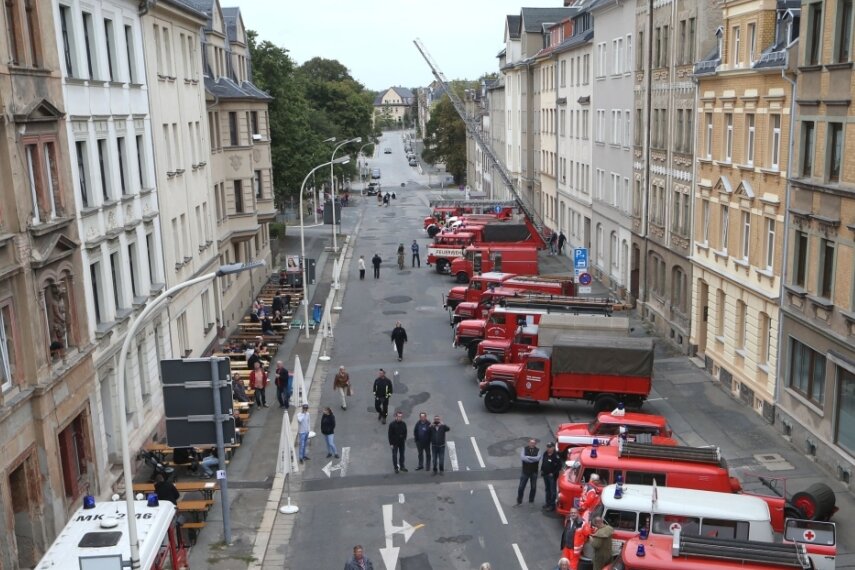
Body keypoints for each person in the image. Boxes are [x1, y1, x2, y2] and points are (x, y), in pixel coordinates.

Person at [516, 438, 542, 506]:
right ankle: (519, 500)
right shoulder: (524, 449)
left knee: (533, 487)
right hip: (525, 472)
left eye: (533, 443)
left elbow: (538, 458)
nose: (532, 444)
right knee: (521, 487)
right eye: (531, 443)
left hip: (534, 472)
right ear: (529, 443)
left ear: (535, 444)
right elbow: (522, 458)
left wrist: (528, 458)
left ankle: (531, 500)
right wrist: (532, 459)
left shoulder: (538, 450)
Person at [541, 442, 562, 511]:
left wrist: (553, 473)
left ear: (553, 448)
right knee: (547, 489)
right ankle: (547, 503)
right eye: (547, 447)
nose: (548, 448)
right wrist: (542, 470)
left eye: (549, 447)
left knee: (552, 491)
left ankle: (552, 505)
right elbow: (543, 462)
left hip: (552, 477)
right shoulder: (545, 453)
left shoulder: (556, 456)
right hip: (545, 474)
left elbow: (559, 466)